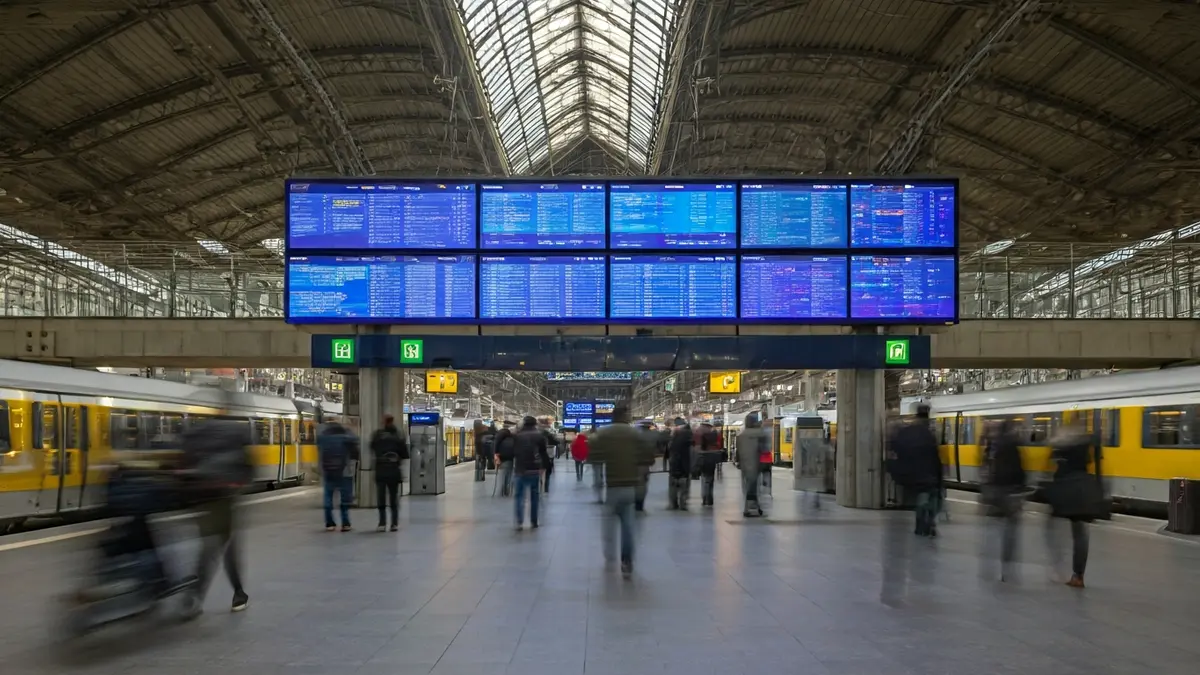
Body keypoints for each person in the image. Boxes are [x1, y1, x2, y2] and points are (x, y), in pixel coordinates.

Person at [179, 418, 253, 616]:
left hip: (201, 498)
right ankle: (237, 594)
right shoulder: (234, 434)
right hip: (223, 498)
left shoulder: (198, 433)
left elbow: (185, 464)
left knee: (209, 546)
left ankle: (195, 596)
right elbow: (248, 471)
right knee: (224, 547)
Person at [589, 405, 655, 577]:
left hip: (612, 486)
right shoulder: (635, 434)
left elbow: (592, 456)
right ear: (626, 416)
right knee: (628, 525)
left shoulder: (604, 433)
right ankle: (626, 560)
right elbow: (649, 456)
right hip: (630, 486)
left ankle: (610, 554)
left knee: (608, 522)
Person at [1045, 423, 1103, 588]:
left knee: (1051, 530)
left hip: (1064, 491)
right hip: (1082, 491)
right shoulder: (1086, 444)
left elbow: (1050, 466)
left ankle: (1057, 569)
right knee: (1081, 534)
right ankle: (1078, 575)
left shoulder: (1061, 445)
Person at [886, 404, 943, 537]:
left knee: (921, 499)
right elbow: (935, 457)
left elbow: (895, 448)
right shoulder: (929, 434)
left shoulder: (907, 432)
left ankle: (921, 525)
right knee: (928, 499)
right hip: (927, 475)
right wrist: (940, 477)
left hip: (912, 474)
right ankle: (926, 524)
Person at [982, 419, 1025, 581]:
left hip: (996, 492)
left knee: (992, 530)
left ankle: (989, 564)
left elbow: (988, 470)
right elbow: (1019, 472)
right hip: (1010, 493)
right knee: (1010, 532)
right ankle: (1007, 567)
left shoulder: (993, 446)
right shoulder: (1013, 446)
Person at [318, 422, 360, 531]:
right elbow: (356, 451)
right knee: (344, 499)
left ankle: (329, 523)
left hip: (328, 472)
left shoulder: (324, 438)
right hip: (344, 472)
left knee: (328, 498)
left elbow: (319, 448)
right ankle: (345, 523)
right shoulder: (346, 437)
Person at [370, 414, 408, 532]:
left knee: (381, 498)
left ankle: (382, 523)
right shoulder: (398, 437)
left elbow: (371, 447)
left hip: (380, 471)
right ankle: (394, 524)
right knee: (393, 498)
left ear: (384, 422)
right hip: (394, 471)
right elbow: (405, 454)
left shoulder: (377, 436)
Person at [512, 416, 550, 530]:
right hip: (534, 469)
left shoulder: (517, 436)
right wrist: (545, 466)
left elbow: (514, 451)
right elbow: (543, 453)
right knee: (534, 496)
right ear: (535, 424)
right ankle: (534, 521)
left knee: (519, 496)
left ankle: (519, 522)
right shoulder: (539, 436)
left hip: (520, 469)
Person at [737, 414, 768, 517]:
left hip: (745, 464)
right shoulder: (761, 434)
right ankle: (755, 507)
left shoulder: (741, 435)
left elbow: (738, 452)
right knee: (756, 486)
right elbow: (764, 450)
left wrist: (739, 462)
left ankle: (747, 508)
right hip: (757, 463)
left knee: (746, 487)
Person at [667, 417, 693, 510]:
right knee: (684, 485)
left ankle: (673, 504)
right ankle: (683, 503)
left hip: (675, 463)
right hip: (686, 464)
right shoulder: (690, 435)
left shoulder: (676, 436)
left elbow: (670, 450)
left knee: (673, 485)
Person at [494, 421, 516, 497]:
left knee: (503, 474)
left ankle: (502, 491)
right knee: (508, 474)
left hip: (500, 457)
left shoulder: (499, 436)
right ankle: (505, 491)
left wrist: (496, 455)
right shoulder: (512, 437)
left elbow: (495, 446)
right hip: (509, 457)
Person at [538, 418, 559, 493]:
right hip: (547, 454)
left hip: (536, 456)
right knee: (547, 470)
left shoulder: (536, 432)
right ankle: (546, 487)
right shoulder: (548, 433)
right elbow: (556, 441)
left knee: (538, 471)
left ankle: (539, 485)